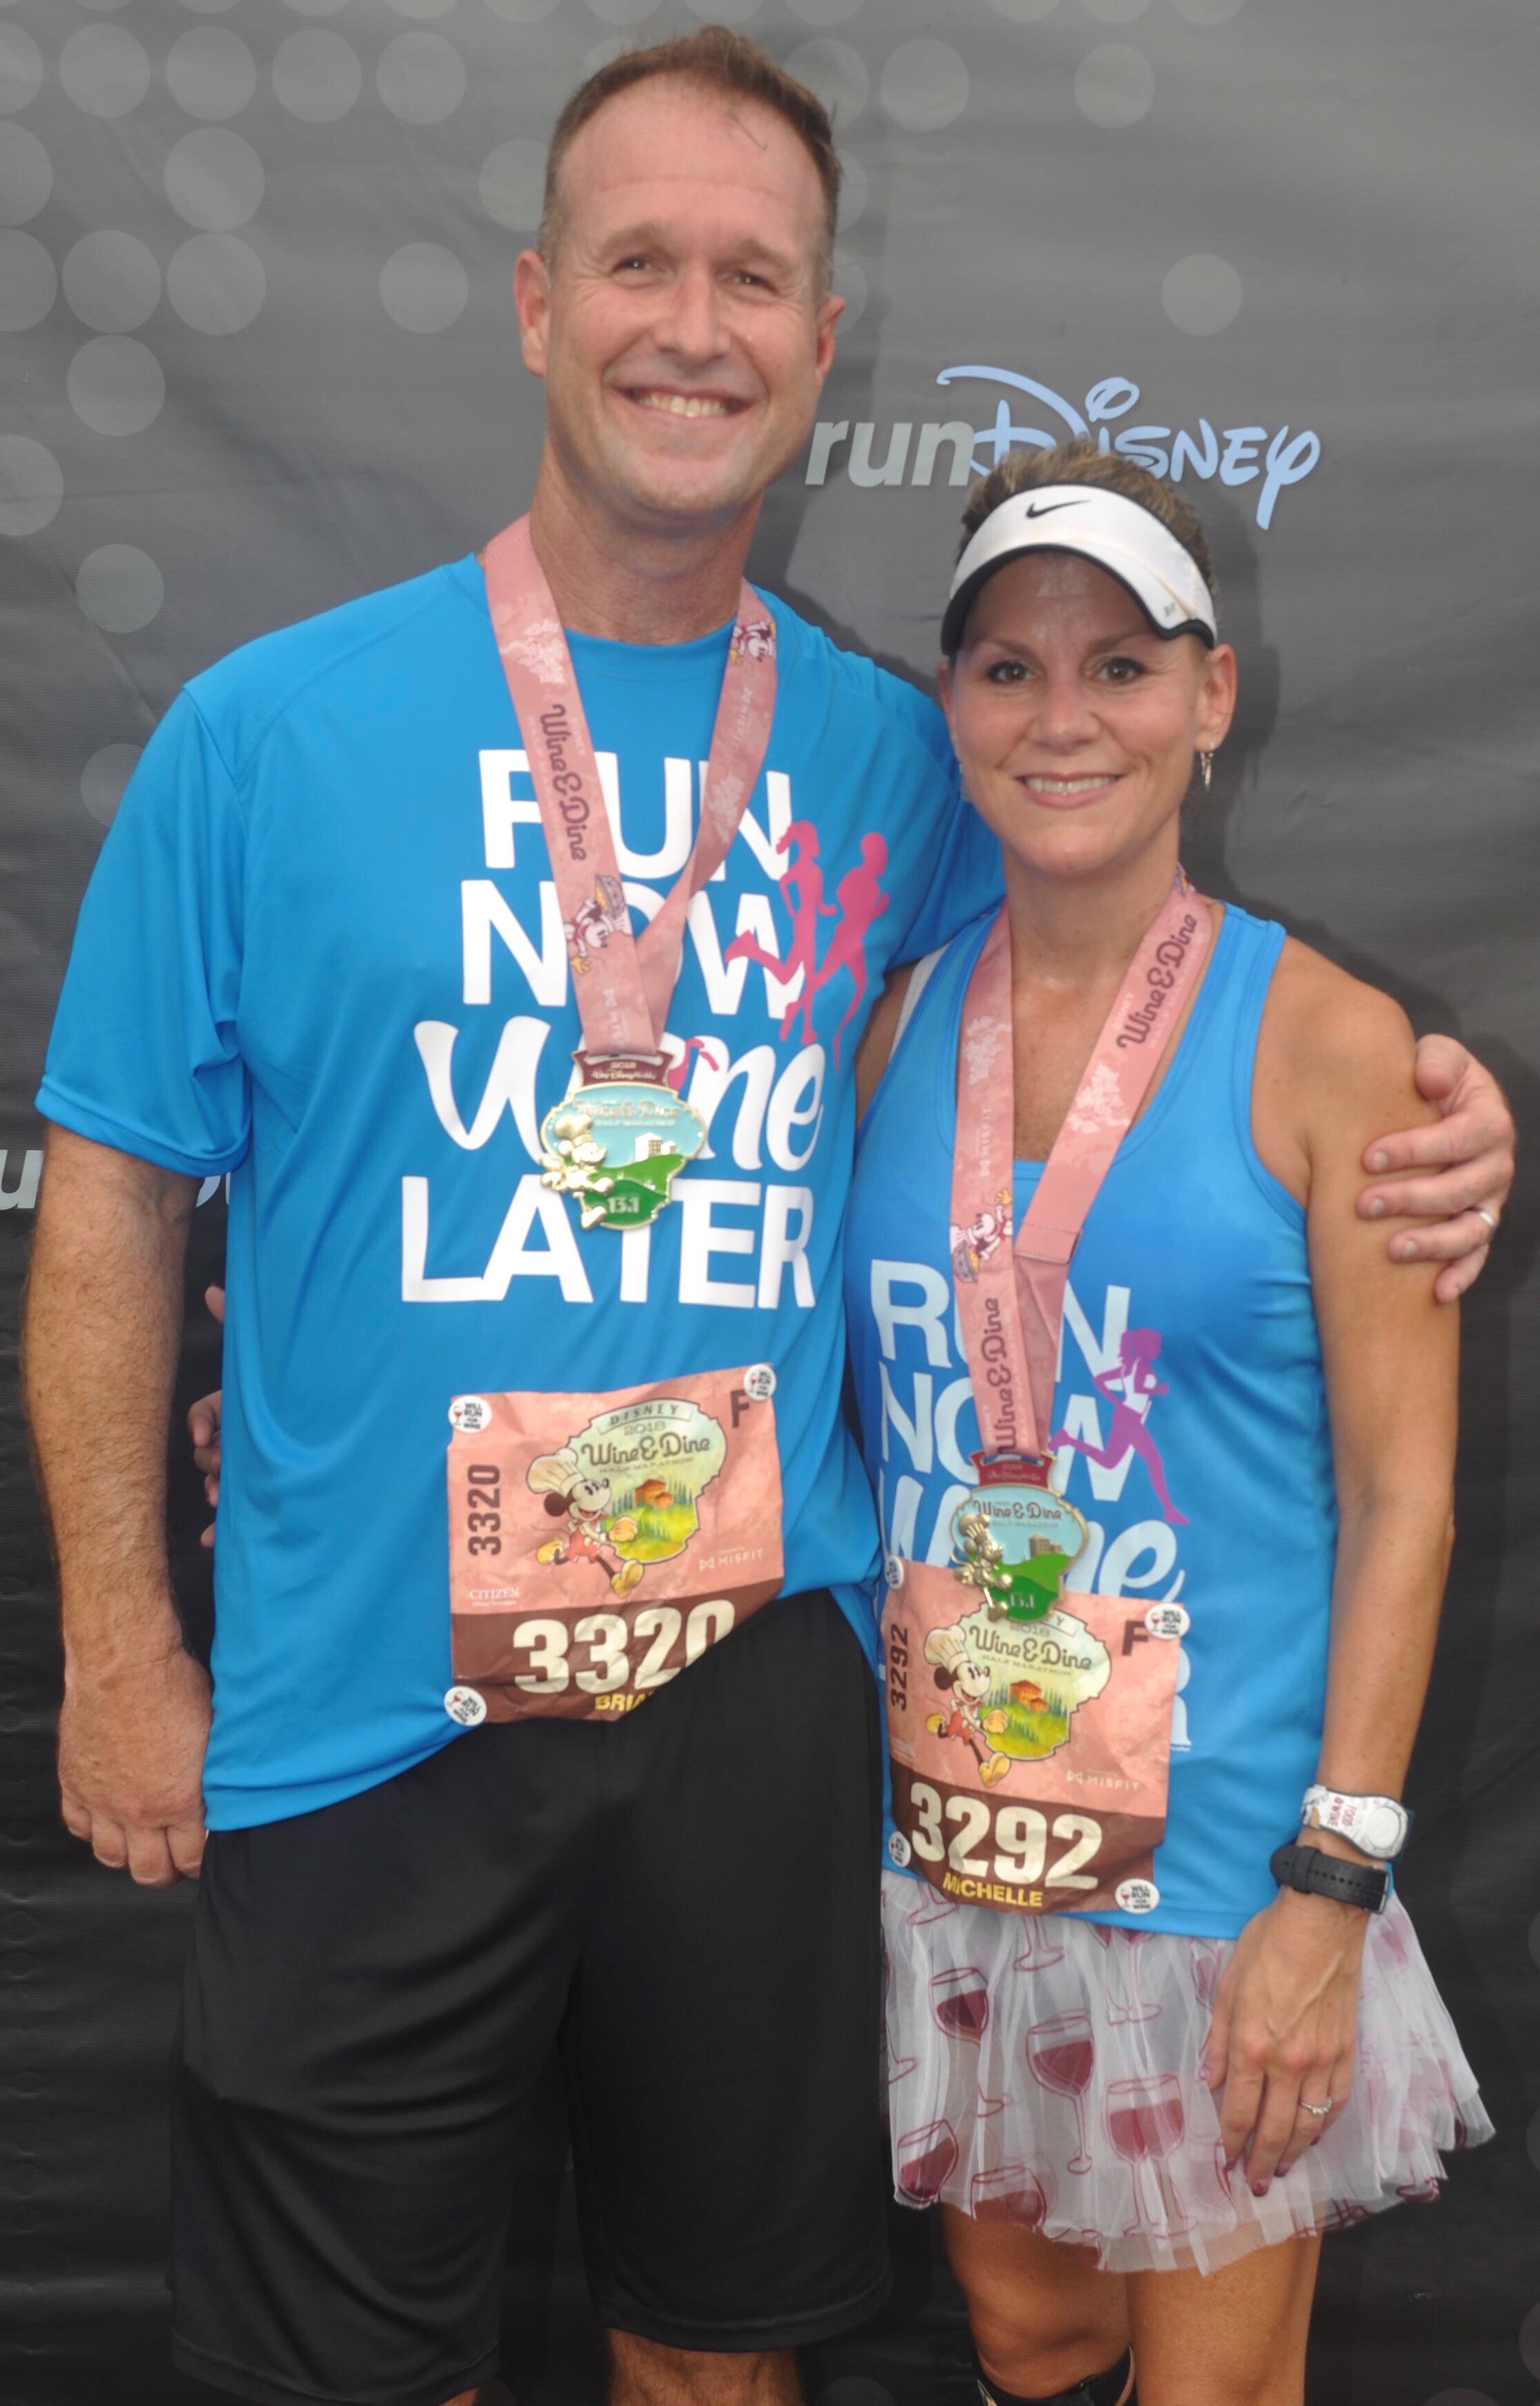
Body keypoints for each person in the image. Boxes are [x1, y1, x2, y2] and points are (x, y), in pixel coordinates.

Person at [21, 28, 1508, 2406]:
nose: (689, 328)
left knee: (722, 2355)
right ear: (539, 302)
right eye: (639, 263)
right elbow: (111, 1182)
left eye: (750, 280)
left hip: (756, 1712)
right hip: (365, 1714)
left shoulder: (901, 759)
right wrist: (117, 1635)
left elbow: (1125, 994)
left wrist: (1428, 1118)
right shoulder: (266, 732)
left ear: (822, 345)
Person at [845, 438, 1493, 2406]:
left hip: (1223, 1881)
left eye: (1120, 666)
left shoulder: (1330, 1045)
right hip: (959, 1844)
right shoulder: (891, 1025)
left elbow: (1405, 1500)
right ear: (952, 702)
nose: (1064, 718)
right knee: (1027, 2335)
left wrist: (1331, 1881)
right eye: (1011, 668)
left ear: (1212, 697)